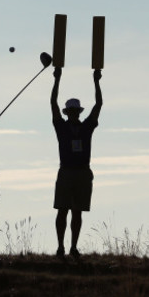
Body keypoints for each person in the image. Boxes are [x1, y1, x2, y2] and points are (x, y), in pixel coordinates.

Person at [51, 67, 103, 260]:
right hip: (66, 171)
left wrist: (96, 81)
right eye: (70, 111)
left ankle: (73, 247)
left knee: (77, 212)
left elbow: (99, 104)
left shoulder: (87, 127)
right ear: (67, 112)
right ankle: (60, 247)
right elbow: (52, 103)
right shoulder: (61, 127)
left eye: (75, 111)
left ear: (78, 112)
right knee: (62, 210)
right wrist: (56, 80)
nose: (73, 113)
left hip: (82, 172)